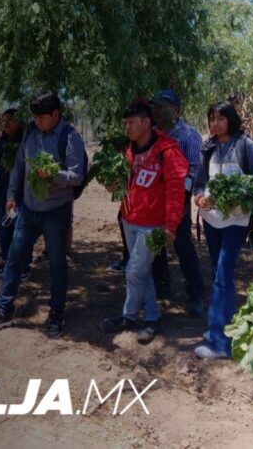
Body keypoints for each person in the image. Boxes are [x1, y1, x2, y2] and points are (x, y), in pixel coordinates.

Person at [0, 91, 86, 338]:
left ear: (55, 114)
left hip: (56, 213)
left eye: (41, 118)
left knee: (57, 265)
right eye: (34, 118)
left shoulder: (70, 138)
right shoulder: (30, 132)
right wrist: (11, 195)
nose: (37, 122)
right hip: (28, 210)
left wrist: (53, 176)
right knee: (14, 259)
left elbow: (77, 175)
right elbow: (19, 165)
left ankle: (56, 314)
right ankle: (2, 309)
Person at [98, 99, 187, 343]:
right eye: (125, 123)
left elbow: (176, 190)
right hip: (130, 218)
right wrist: (113, 184)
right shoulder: (129, 149)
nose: (127, 128)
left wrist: (171, 225)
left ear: (147, 122)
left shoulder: (168, 150)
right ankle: (152, 317)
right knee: (143, 272)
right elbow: (126, 182)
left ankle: (128, 315)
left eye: (131, 123)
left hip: (153, 224)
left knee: (134, 270)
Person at [193, 101, 253, 360]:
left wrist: (241, 198)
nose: (215, 124)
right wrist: (199, 197)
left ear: (231, 119)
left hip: (236, 222)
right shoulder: (207, 147)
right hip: (211, 220)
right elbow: (199, 182)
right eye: (212, 118)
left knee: (223, 275)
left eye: (221, 118)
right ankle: (226, 327)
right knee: (218, 274)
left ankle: (220, 343)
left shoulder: (246, 145)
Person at [151, 89, 205, 316]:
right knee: (155, 247)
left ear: (175, 110)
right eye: (156, 107)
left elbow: (194, 169)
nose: (158, 111)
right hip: (153, 201)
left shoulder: (188, 135)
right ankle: (162, 292)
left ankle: (196, 294)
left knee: (182, 244)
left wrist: (179, 197)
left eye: (163, 107)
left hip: (177, 200)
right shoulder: (151, 134)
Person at [0, 108, 31, 280]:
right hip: (0, 194)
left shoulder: (25, 142)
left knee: (20, 230)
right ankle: (6, 262)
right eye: (3, 120)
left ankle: (24, 266)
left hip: (21, 195)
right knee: (4, 229)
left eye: (10, 119)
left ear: (18, 122)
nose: (5, 123)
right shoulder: (0, 143)